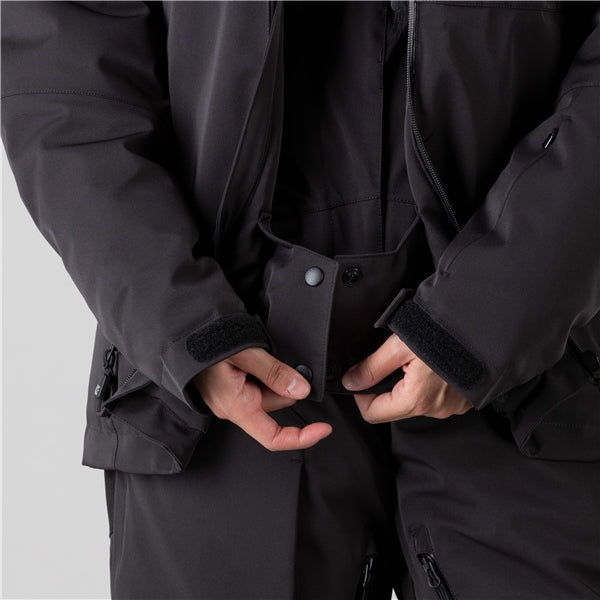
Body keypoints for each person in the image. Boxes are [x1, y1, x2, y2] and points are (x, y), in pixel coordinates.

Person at [2, 1, 599, 598]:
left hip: (528, 360)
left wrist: (491, 311)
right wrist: (183, 319)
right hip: (222, 371)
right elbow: (64, 78)